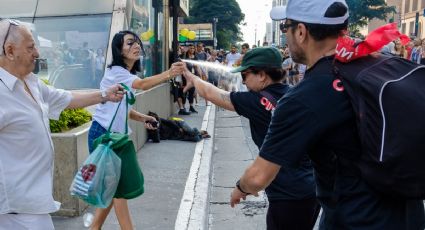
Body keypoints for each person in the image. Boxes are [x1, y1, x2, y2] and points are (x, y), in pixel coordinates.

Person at [230, 1, 425, 229]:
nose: (286, 35)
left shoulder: (304, 97)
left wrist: (241, 188)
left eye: (286, 27)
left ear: (301, 32)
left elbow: (257, 177)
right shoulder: (376, 63)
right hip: (410, 216)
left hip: (356, 220)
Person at [0, 19, 124, 230]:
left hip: (34, 203)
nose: (37, 53)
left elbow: (66, 98)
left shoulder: (31, 82)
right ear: (10, 51)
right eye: (30, 47)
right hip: (14, 209)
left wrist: (104, 94)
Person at [183, 47, 318, 230]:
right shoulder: (295, 94)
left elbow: (211, 94)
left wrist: (193, 78)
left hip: (287, 193)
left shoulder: (256, 101)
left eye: (245, 75)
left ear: (262, 75)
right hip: (311, 187)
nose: (243, 82)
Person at [87, 30, 186, 230]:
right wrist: (169, 73)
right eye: (130, 43)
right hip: (104, 136)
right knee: (119, 189)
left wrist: (144, 118)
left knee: (113, 188)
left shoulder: (126, 75)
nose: (136, 46)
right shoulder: (116, 71)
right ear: (119, 49)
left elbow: (125, 109)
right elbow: (142, 84)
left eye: (137, 42)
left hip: (116, 138)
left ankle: (94, 227)